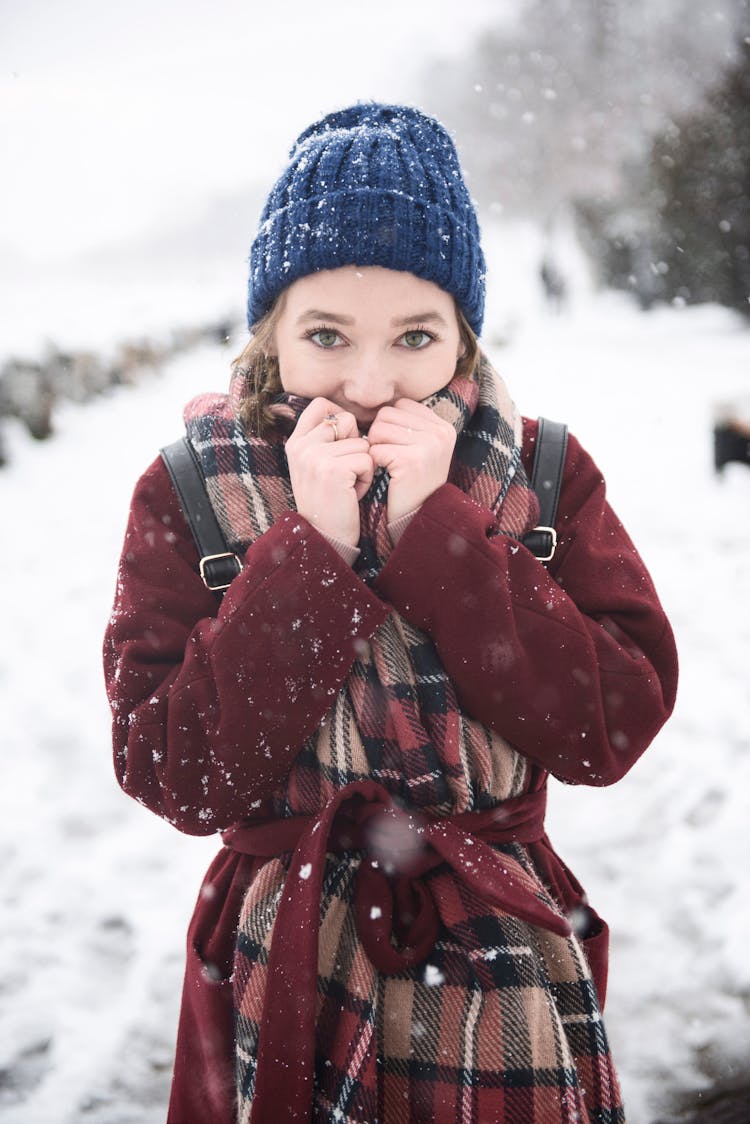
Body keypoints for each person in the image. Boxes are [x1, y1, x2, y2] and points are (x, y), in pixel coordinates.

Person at [103, 103, 678, 1124]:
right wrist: (307, 555)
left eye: (415, 337)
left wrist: (436, 534)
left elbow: (612, 722)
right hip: (279, 955)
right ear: (271, 331)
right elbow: (172, 770)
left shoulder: (541, 472)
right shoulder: (190, 488)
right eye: (327, 335)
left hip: (503, 954)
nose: (369, 385)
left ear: (462, 332)